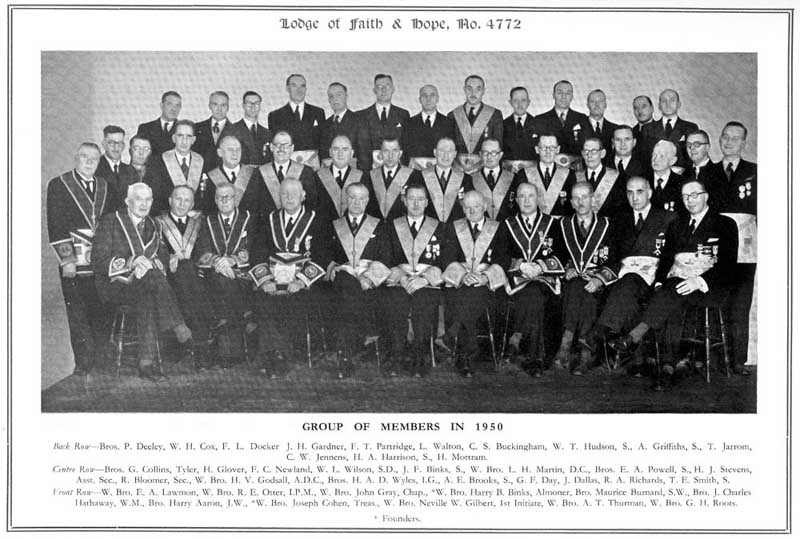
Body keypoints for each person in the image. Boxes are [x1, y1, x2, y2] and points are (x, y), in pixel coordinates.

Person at [610, 180, 739, 389]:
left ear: (706, 196)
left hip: (709, 287)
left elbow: (728, 266)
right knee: (670, 295)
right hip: (678, 288)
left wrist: (699, 281)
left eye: (695, 195)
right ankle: (668, 369)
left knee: (671, 294)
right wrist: (660, 281)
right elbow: (667, 259)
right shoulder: (677, 225)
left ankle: (636, 337)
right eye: (686, 196)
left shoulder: (724, 224)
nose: (690, 200)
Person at [92, 182, 192, 382]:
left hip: (145, 285)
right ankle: (179, 326)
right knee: (152, 281)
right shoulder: (111, 221)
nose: (143, 204)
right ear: (128, 201)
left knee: (148, 295)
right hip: (116, 286)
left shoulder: (155, 224)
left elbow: (162, 257)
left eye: (148, 199)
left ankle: (146, 364)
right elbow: (98, 261)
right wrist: (132, 261)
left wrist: (151, 263)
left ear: (152, 201)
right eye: (138, 199)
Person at [583, 176, 677, 374]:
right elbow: (612, 256)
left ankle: (600, 331)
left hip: (655, 280)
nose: (635, 197)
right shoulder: (619, 220)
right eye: (630, 192)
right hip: (625, 281)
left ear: (650, 192)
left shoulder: (668, 218)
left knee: (628, 285)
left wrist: (660, 279)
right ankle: (637, 357)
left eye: (640, 191)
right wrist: (601, 277)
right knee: (627, 287)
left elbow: (671, 255)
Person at [250, 179, 332, 378]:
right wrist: (266, 281)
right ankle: (275, 354)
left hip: (303, 283)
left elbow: (322, 255)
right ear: (279, 196)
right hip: (273, 281)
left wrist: (302, 280)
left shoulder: (317, 220)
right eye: (284, 194)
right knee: (264, 300)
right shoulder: (268, 219)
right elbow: (258, 252)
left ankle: (282, 356)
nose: (288, 198)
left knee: (294, 301)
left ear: (303, 195)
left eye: (293, 193)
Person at [47, 142, 117, 376]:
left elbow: (111, 223)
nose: (89, 162)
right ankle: (84, 363)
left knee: (102, 309)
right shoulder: (59, 184)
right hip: (74, 261)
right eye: (84, 157)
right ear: (76, 158)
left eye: (94, 158)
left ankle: (101, 361)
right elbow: (55, 224)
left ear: (99, 161)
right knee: (78, 312)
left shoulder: (105, 186)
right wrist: (67, 260)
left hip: (100, 259)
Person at [380, 182, 446, 376]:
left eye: (420, 199)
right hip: (400, 280)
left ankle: (420, 356)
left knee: (424, 303)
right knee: (395, 302)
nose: (415, 204)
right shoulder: (391, 226)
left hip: (426, 282)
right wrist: (400, 277)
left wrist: (425, 279)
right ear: (404, 201)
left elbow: (446, 260)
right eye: (411, 199)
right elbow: (385, 257)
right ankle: (397, 355)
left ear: (427, 202)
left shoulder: (440, 227)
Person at [707, 121, 757, 375]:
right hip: (717, 242)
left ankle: (738, 360)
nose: (728, 142)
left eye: (735, 138)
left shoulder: (755, 171)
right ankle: (715, 360)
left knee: (740, 302)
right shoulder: (709, 171)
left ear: (744, 143)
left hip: (746, 246)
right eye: (725, 137)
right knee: (717, 297)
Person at [326, 183, 390, 377]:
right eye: (352, 197)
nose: (356, 202)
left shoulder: (379, 225)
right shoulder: (334, 225)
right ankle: (366, 330)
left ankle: (344, 355)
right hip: (343, 280)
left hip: (368, 283)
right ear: (345, 199)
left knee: (347, 299)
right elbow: (327, 255)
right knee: (345, 282)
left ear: (368, 200)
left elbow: (386, 257)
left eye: (361, 198)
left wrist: (370, 278)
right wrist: (333, 267)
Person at [441, 191, 509, 377]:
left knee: (470, 297)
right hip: (461, 281)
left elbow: (503, 259)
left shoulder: (498, 228)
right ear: (462, 208)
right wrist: (463, 276)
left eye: (477, 206)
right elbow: (446, 257)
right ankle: (468, 353)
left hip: (486, 283)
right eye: (467, 207)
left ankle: (457, 341)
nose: (472, 211)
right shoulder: (454, 227)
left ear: (485, 207)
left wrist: (486, 277)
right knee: (466, 295)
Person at [555, 181, 618, 375]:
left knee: (588, 292)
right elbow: (556, 255)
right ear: (571, 202)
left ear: (593, 200)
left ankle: (572, 350)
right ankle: (579, 351)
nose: (580, 202)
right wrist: (566, 269)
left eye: (585, 197)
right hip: (573, 282)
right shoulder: (563, 225)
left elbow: (616, 259)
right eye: (576, 198)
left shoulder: (607, 225)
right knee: (576, 286)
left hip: (599, 283)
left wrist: (600, 278)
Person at [502, 182, 564, 375]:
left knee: (535, 292)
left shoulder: (552, 224)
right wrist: (521, 265)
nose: (527, 200)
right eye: (522, 196)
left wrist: (540, 266)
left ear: (538, 198)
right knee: (533, 296)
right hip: (518, 279)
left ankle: (517, 337)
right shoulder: (507, 225)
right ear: (516, 200)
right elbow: (500, 255)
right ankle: (534, 357)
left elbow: (562, 254)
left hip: (544, 278)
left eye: (530, 196)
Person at [195, 182, 254, 368]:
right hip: (215, 276)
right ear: (215, 200)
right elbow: (201, 250)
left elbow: (255, 247)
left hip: (244, 275)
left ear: (235, 198)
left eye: (228, 196)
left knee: (226, 287)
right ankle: (245, 315)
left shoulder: (249, 219)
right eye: (220, 197)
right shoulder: (207, 221)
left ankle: (226, 351)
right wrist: (217, 262)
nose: (224, 200)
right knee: (222, 282)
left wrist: (233, 260)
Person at [154, 185, 212, 368]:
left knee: (188, 270)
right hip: (167, 276)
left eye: (187, 200)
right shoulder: (157, 223)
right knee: (190, 284)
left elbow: (204, 250)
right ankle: (201, 348)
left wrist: (199, 262)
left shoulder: (199, 223)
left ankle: (187, 341)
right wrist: (168, 257)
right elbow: (152, 250)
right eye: (178, 199)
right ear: (170, 200)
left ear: (193, 204)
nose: (182, 203)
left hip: (195, 276)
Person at [147, 119, 205, 214]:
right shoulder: (157, 162)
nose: (184, 141)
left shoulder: (200, 161)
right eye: (180, 136)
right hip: (166, 217)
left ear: (193, 140)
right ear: (174, 138)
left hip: (194, 217)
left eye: (188, 136)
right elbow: (155, 196)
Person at [257, 131, 321, 215]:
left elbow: (311, 204)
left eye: (286, 145)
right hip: (268, 224)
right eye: (277, 145)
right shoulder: (259, 173)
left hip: (298, 224)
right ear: (272, 147)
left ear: (292, 148)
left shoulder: (306, 172)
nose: (281, 149)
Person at [268, 74, 326, 166]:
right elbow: (275, 146)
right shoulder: (275, 116)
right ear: (288, 88)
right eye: (294, 85)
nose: (299, 90)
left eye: (302, 86)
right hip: (288, 165)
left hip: (313, 166)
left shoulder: (318, 112)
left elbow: (323, 142)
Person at [356, 74, 410, 170]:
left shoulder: (403, 115)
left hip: (397, 171)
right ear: (374, 91)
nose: (383, 90)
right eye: (379, 86)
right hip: (369, 171)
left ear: (393, 89)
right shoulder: (361, 116)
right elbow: (360, 149)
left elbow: (406, 146)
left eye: (387, 86)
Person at [562, 137, 626, 218]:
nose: (589, 155)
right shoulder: (573, 178)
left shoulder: (617, 178)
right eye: (586, 151)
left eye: (594, 151)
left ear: (602, 153)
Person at [448, 75, 504, 161]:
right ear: (464, 90)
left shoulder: (495, 115)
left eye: (478, 89)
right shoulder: (453, 115)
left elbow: (498, 147)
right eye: (469, 88)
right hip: (458, 167)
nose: (473, 93)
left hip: (484, 166)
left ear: (483, 91)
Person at [640, 89, 699, 170]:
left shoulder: (690, 127)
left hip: (682, 177)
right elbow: (644, 158)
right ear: (659, 106)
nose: (668, 104)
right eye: (664, 101)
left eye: (672, 100)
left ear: (679, 104)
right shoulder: (647, 129)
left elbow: (694, 156)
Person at [316, 135, 372, 221]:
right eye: (336, 149)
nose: (340, 153)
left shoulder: (364, 177)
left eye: (345, 149)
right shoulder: (317, 177)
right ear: (330, 152)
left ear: (352, 153)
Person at [418, 137, 473, 224]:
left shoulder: (466, 179)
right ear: (435, 152)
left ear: (455, 154)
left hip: (456, 230)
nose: (445, 155)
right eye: (442, 151)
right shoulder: (421, 177)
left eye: (450, 151)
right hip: (428, 229)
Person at [204, 135, 261, 216]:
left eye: (238, 150)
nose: (235, 154)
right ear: (220, 153)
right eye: (230, 150)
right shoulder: (210, 177)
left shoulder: (254, 174)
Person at [365, 137, 418, 222]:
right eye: (386, 151)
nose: (390, 156)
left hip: (402, 228)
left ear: (400, 153)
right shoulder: (369, 176)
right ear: (380, 153)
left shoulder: (414, 176)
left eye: (394, 151)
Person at [518, 133, 572, 216]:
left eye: (552, 147)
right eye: (544, 147)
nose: (548, 151)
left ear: (558, 149)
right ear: (537, 149)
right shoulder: (524, 174)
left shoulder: (569, 174)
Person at [401, 84, 455, 165]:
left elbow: (452, 151)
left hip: (440, 172)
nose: (428, 99)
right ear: (419, 99)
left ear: (437, 98)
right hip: (415, 173)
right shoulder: (409, 123)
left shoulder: (449, 123)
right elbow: (405, 153)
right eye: (424, 95)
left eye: (432, 95)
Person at [533, 80, 589, 157]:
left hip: (576, 165)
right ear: (553, 95)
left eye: (568, 93)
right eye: (560, 93)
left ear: (572, 97)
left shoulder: (582, 118)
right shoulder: (540, 119)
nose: (563, 97)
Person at [472, 138, 519, 222]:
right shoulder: (471, 179)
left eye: (494, 153)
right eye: (485, 152)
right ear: (480, 154)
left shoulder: (514, 179)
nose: (489, 156)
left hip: (506, 229)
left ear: (500, 155)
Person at [95, 125, 138, 209]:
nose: (116, 147)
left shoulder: (131, 171)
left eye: (120, 143)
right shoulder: (94, 168)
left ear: (124, 145)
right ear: (104, 144)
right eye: (111, 143)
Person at [193, 91, 236, 172]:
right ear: (209, 106)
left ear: (228, 107)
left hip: (226, 179)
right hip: (201, 176)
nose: (219, 109)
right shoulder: (197, 128)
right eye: (215, 104)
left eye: (223, 105)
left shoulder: (236, 131)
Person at [319, 82, 360, 162]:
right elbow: (323, 154)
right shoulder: (325, 124)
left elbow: (363, 153)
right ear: (328, 100)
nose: (335, 99)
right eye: (331, 96)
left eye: (339, 95)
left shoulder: (358, 120)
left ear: (346, 96)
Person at [136, 90, 182, 158]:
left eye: (177, 105)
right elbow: (138, 155)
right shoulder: (145, 128)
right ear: (161, 105)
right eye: (169, 104)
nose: (174, 109)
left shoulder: (184, 130)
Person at [230, 91, 271, 166]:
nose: (253, 106)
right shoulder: (232, 129)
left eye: (256, 103)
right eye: (249, 103)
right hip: (241, 175)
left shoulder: (267, 133)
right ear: (243, 105)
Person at [502, 86, 538, 162]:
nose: (520, 104)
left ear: (528, 102)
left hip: (532, 169)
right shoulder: (503, 125)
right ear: (510, 102)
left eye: (523, 100)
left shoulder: (538, 124)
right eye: (515, 101)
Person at [649, 139, 685, 213]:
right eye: (654, 155)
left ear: (673, 161)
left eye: (662, 156)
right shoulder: (641, 180)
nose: (656, 159)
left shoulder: (682, 183)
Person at [580, 89, 619, 154]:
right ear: (587, 105)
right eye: (593, 101)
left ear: (605, 105)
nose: (597, 105)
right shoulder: (577, 127)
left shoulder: (615, 129)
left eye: (600, 101)